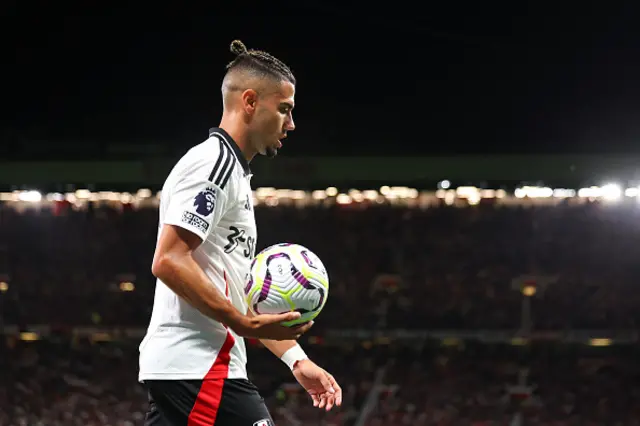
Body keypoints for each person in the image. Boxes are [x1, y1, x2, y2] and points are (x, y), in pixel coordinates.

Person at [139, 39, 342, 425]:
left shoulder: (233, 175)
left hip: (191, 368)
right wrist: (241, 324)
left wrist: (296, 359)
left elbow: (233, 293)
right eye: (284, 109)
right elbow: (168, 259)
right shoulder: (213, 165)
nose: (291, 123)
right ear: (250, 102)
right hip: (200, 367)